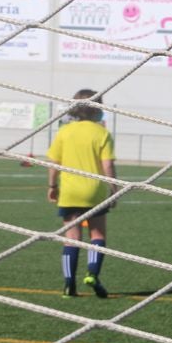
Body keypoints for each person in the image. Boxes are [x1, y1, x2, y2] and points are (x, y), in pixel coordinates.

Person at [47, 89, 117, 298]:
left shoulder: (64, 132)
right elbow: (108, 166)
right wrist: (114, 189)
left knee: (71, 238)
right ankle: (93, 274)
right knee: (97, 234)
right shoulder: (102, 133)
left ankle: (69, 285)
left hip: (69, 192)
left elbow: (54, 163)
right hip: (94, 191)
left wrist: (52, 186)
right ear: (98, 109)